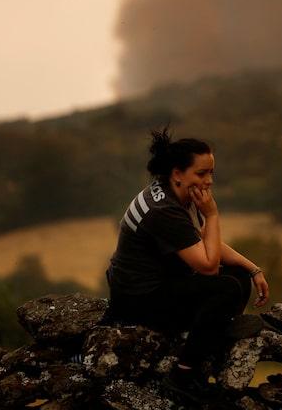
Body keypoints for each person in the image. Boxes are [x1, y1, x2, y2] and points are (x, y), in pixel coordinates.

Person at [105, 129, 270, 393]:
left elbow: (204, 240)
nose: (209, 181)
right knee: (226, 288)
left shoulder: (181, 194)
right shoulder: (164, 210)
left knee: (238, 276)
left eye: (211, 173)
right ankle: (183, 374)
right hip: (136, 299)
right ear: (177, 174)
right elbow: (208, 266)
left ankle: (208, 337)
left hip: (159, 286)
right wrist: (213, 215)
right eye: (201, 173)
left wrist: (252, 269)